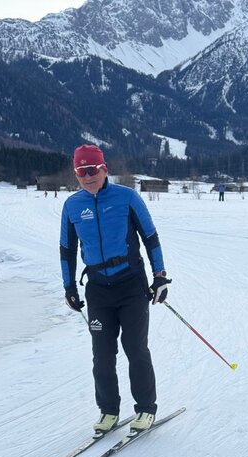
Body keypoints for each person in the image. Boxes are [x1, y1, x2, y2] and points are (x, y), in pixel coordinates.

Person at [60, 144, 172, 434]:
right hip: (97, 289)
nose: (87, 176)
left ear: (104, 169)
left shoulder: (127, 198)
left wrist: (159, 276)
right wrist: (69, 286)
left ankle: (146, 408)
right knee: (103, 354)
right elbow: (66, 249)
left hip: (131, 286)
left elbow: (151, 238)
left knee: (135, 349)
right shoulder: (72, 205)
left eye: (92, 170)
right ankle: (108, 411)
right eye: (80, 171)